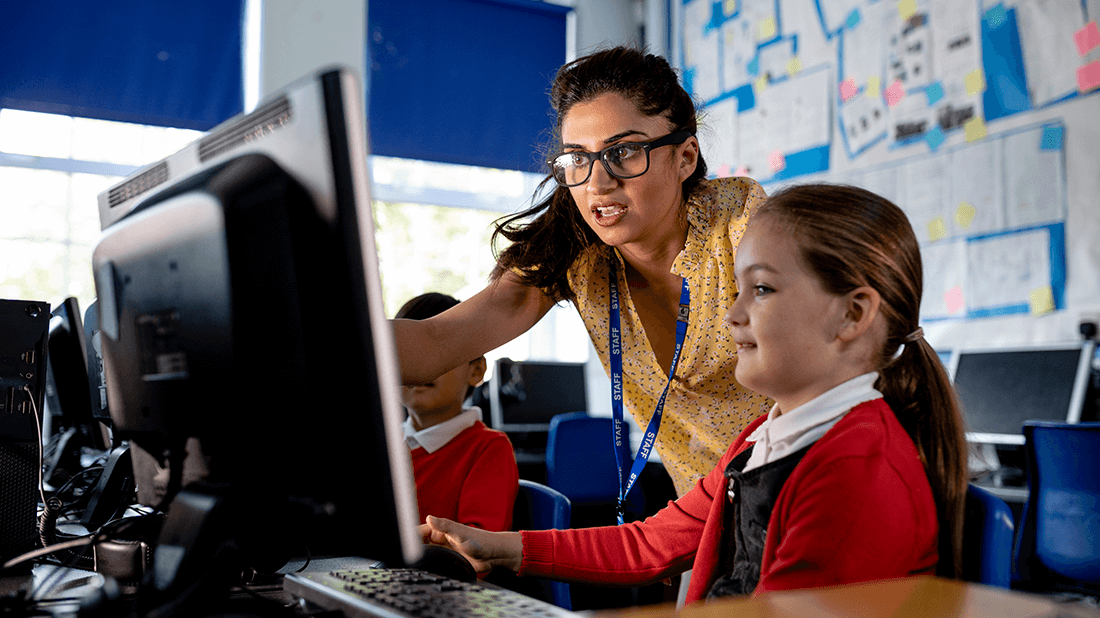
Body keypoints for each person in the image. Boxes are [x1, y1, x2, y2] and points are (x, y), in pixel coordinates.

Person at [419, 183, 970, 603]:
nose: (731, 315)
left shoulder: (857, 473)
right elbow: (651, 544)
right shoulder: (766, 438)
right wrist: (502, 546)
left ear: (853, 314)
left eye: (760, 289)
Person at [392, 46, 772, 501]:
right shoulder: (578, 256)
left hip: (813, 493)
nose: (597, 183)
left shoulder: (745, 229)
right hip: (706, 519)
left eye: (624, 151)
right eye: (578, 158)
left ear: (685, 157)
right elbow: (435, 344)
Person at [395, 292, 519, 532]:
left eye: (436, 352)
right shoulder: (382, 446)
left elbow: (478, 555)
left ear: (476, 371)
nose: (420, 366)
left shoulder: (488, 449)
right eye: (405, 353)